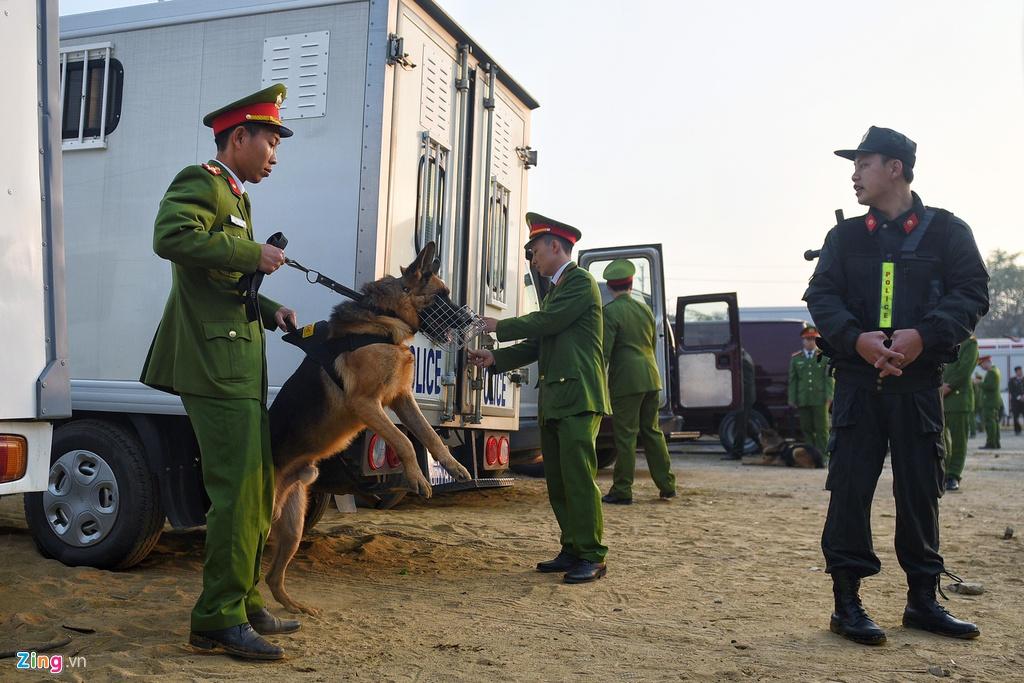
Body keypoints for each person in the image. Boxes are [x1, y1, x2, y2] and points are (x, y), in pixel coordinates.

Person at [804, 126, 988, 645]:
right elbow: (822, 295)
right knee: (849, 492)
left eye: (863, 164)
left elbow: (972, 292)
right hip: (858, 385)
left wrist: (923, 335)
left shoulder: (947, 232)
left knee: (920, 492)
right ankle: (846, 604)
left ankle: (923, 601)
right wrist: (855, 339)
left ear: (895, 168)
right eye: (854, 166)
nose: (854, 175)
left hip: (917, 385)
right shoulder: (844, 238)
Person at [141, 84, 299, 661]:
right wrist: (252, 254)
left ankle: (243, 601)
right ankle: (216, 619)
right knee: (235, 493)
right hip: (214, 365)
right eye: (271, 141)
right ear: (239, 137)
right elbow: (171, 238)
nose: (275, 154)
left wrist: (268, 307)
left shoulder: (236, 197)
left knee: (255, 492)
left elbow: (223, 281)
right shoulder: (202, 181)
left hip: (238, 366)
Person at [468, 213, 611, 584]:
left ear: (554, 246)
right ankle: (572, 548)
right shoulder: (558, 291)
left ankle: (592, 554)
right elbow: (538, 342)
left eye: (534, 252)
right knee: (560, 481)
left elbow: (546, 324)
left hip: (578, 397)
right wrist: (495, 358)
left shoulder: (579, 282)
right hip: (558, 398)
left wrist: (500, 326)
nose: (532, 260)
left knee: (578, 478)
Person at [598, 259, 677, 505]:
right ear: (631, 284)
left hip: (627, 381)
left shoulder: (610, 312)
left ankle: (622, 490)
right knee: (652, 432)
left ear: (609, 287)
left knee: (626, 436)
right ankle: (667, 485)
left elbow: (604, 352)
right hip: (651, 377)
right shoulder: (645, 310)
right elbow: (651, 344)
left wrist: (597, 378)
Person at [787, 325, 833, 456]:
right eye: (808, 339)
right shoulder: (796, 358)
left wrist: (829, 396)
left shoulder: (824, 357)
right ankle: (810, 455)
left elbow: (829, 378)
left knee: (822, 429)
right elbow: (793, 380)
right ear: (803, 341)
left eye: (813, 339)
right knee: (806, 428)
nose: (811, 342)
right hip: (803, 398)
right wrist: (792, 398)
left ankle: (823, 456)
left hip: (820, 399)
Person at [941, 335, 978, 491]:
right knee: (941, 440)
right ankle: (942, 472)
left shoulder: (970, 343)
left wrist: (948, 386)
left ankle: (953, 475)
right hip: (940, 398)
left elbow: (965, 370)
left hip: (958, 399)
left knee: (958, 441)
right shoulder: (945, 340)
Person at [723, 348, 756, 460]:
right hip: (745, 398)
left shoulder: (743, 360)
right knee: (746, 425)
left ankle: (737, 453)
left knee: (740, 425)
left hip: (744, 398)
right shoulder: (745, 357)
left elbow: (744, 382)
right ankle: (762, 444)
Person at [978, 356, 1002, 449]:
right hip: (993, 401)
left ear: (986, 362)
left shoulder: (992, 372)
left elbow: (990, 386)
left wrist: (979, 383)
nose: (981, 367)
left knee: (990, 423)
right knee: (994, 422)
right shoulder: (995, 370)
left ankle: (991, 443)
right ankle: (996, 442)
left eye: (982, 365)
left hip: (990, 401)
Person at [1008, 366, 1024, 436]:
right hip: (1015, 402)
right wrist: (1019, 397)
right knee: (1015, 416)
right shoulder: (1012, 380)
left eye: (1021, 370)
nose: (1020, 372)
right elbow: (1011, 390)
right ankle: (1017, 430)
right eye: (1018, 371)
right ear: (1016, 372)